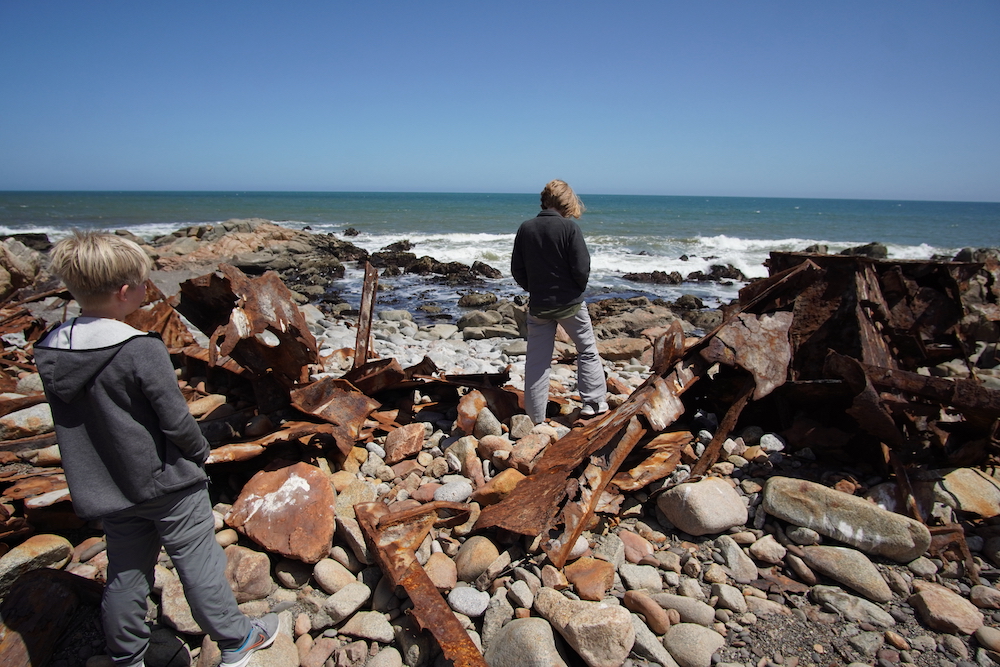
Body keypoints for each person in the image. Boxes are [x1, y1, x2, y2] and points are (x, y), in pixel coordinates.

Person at [35, 231, 277, 667]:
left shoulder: (51, 351)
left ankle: (126, 654)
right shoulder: (138, 348)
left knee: (127, 572)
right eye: (144, 283)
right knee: (197, 561)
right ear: (125, 292)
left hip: (109, 486)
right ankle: (236, 640)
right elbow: (175, 420)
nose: (149, 290)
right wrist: (199, 450)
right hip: (166, 481)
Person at [511, 180, 608, 424]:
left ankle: (535, 417)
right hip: (570, 304)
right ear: (566, 202)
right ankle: (593, 403)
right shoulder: (569, 228)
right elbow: (581, 268)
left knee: (537, 360)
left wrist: (534, 288)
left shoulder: (526, 228)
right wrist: (575, 290)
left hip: (539, 305)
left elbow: (517, 269)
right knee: (586, 349)